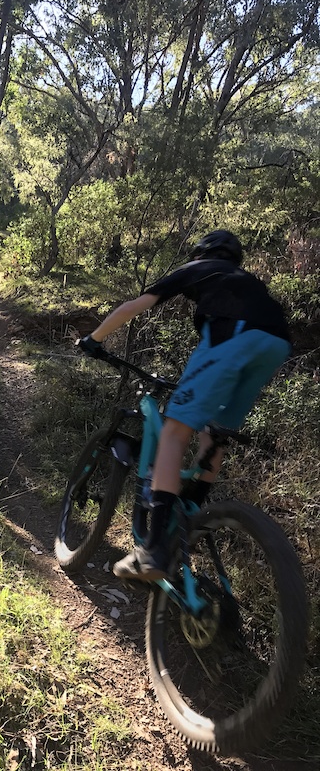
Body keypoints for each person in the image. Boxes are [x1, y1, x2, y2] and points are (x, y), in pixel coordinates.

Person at [78, 230, 291, 581]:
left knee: (175, 430)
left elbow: (134, 307)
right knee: (215, 433)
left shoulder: (200, 268)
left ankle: (152, 550)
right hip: (275, 344)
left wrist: (93, 339)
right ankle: (190, 506)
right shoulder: (245, 281)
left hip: (233, 336)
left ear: (201, 254)